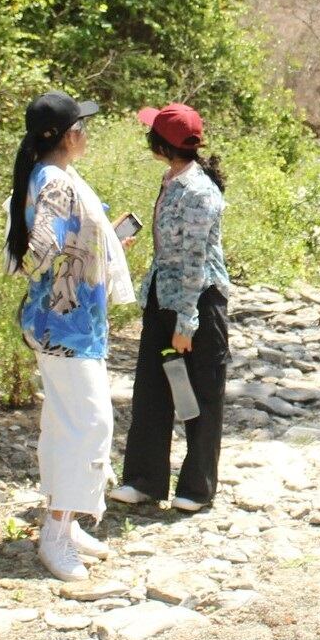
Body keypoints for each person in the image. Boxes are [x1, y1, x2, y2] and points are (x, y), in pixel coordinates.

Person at [6, 92, 136, 582]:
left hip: (68, 322)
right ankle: (56, 536)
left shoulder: (53, 175)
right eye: (82, 125)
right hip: (64, 323)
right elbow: (38, 250)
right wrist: (66, 251)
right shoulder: (56, 183)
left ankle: (65, 518)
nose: (87, 132)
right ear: (66, 136)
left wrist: (99, 242)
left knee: (66, 422)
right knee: (91, 424)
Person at [111, 103, 231, 513]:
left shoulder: (199, 191)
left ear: (161, 144)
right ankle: (144, 480)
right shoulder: (172, 178)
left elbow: (196, 259)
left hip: (198, 300)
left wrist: (187, 321)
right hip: (163, 294)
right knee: (151, 387)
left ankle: (196, 488)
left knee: (201, 393)